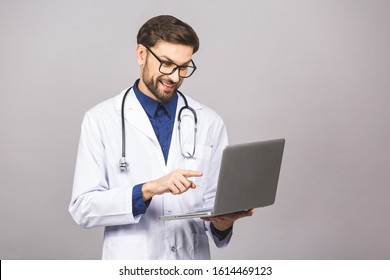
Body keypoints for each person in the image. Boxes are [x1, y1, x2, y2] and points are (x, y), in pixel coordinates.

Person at [69, 15, 253, 260]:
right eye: (167, 64)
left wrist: (223, 222)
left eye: (184, 67)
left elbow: (214, 204)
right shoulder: (101, 119)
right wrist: (148, 189)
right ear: (141, 54)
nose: (175, 77)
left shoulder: (209, 121)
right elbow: (84, 208)